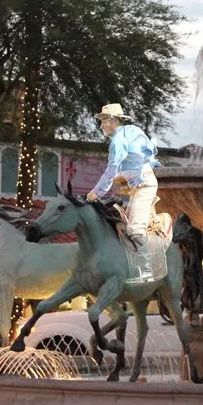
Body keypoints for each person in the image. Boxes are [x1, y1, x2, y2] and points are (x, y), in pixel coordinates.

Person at [85, 102, 161, 282]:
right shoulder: (130, 132)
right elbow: (134, 162)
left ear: (112, 120)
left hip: (144, 187)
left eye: (103, 121)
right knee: (123, 225)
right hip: (140, 186)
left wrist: (97, 192)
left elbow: (111, 169)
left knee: (134, 229)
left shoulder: (118, 140)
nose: (101, 126)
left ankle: (146, 270)